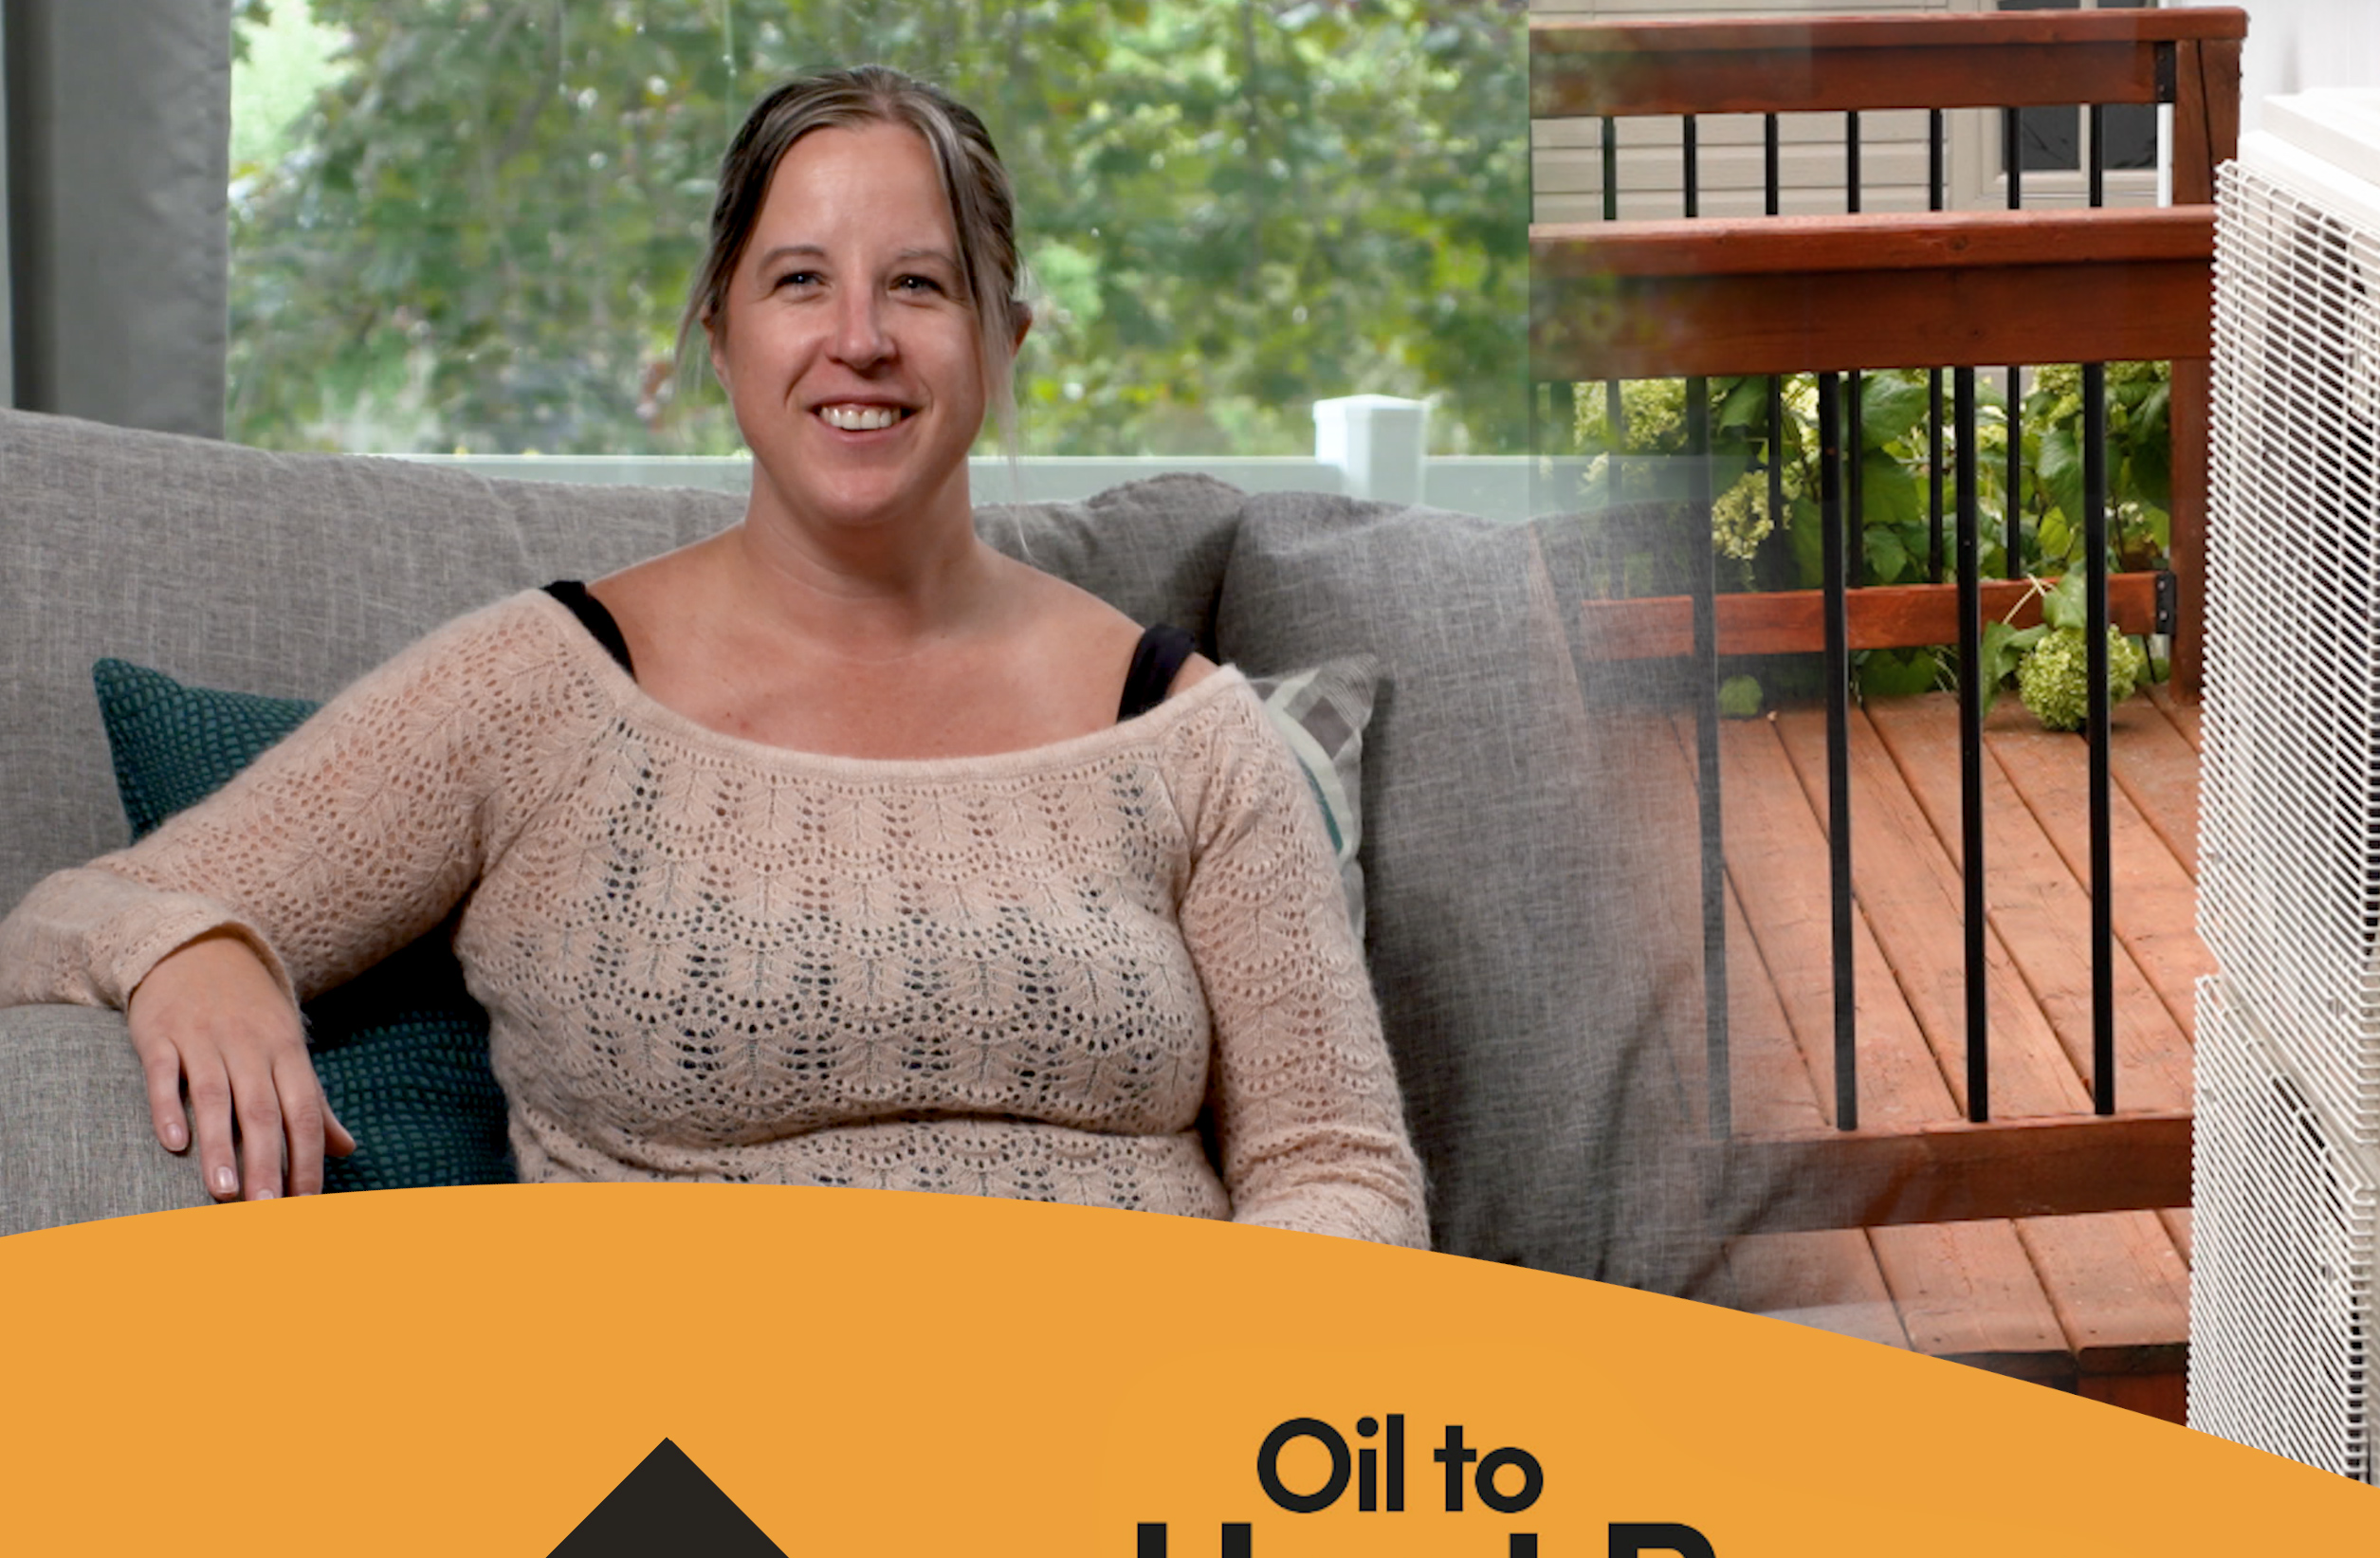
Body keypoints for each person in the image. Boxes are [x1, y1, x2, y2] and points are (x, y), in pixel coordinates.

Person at [0, 65, 1425, 1245]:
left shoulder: (1184, 730)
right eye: (801, 281)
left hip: (1135, 1434)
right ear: (721, 335)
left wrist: (1230, 1397)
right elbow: (71, 915)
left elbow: (1339, 1166)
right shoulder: (541, 691)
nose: (859, 339)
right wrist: (196, 951)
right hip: (692, 1458)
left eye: (919, 285)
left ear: (1003, 341)